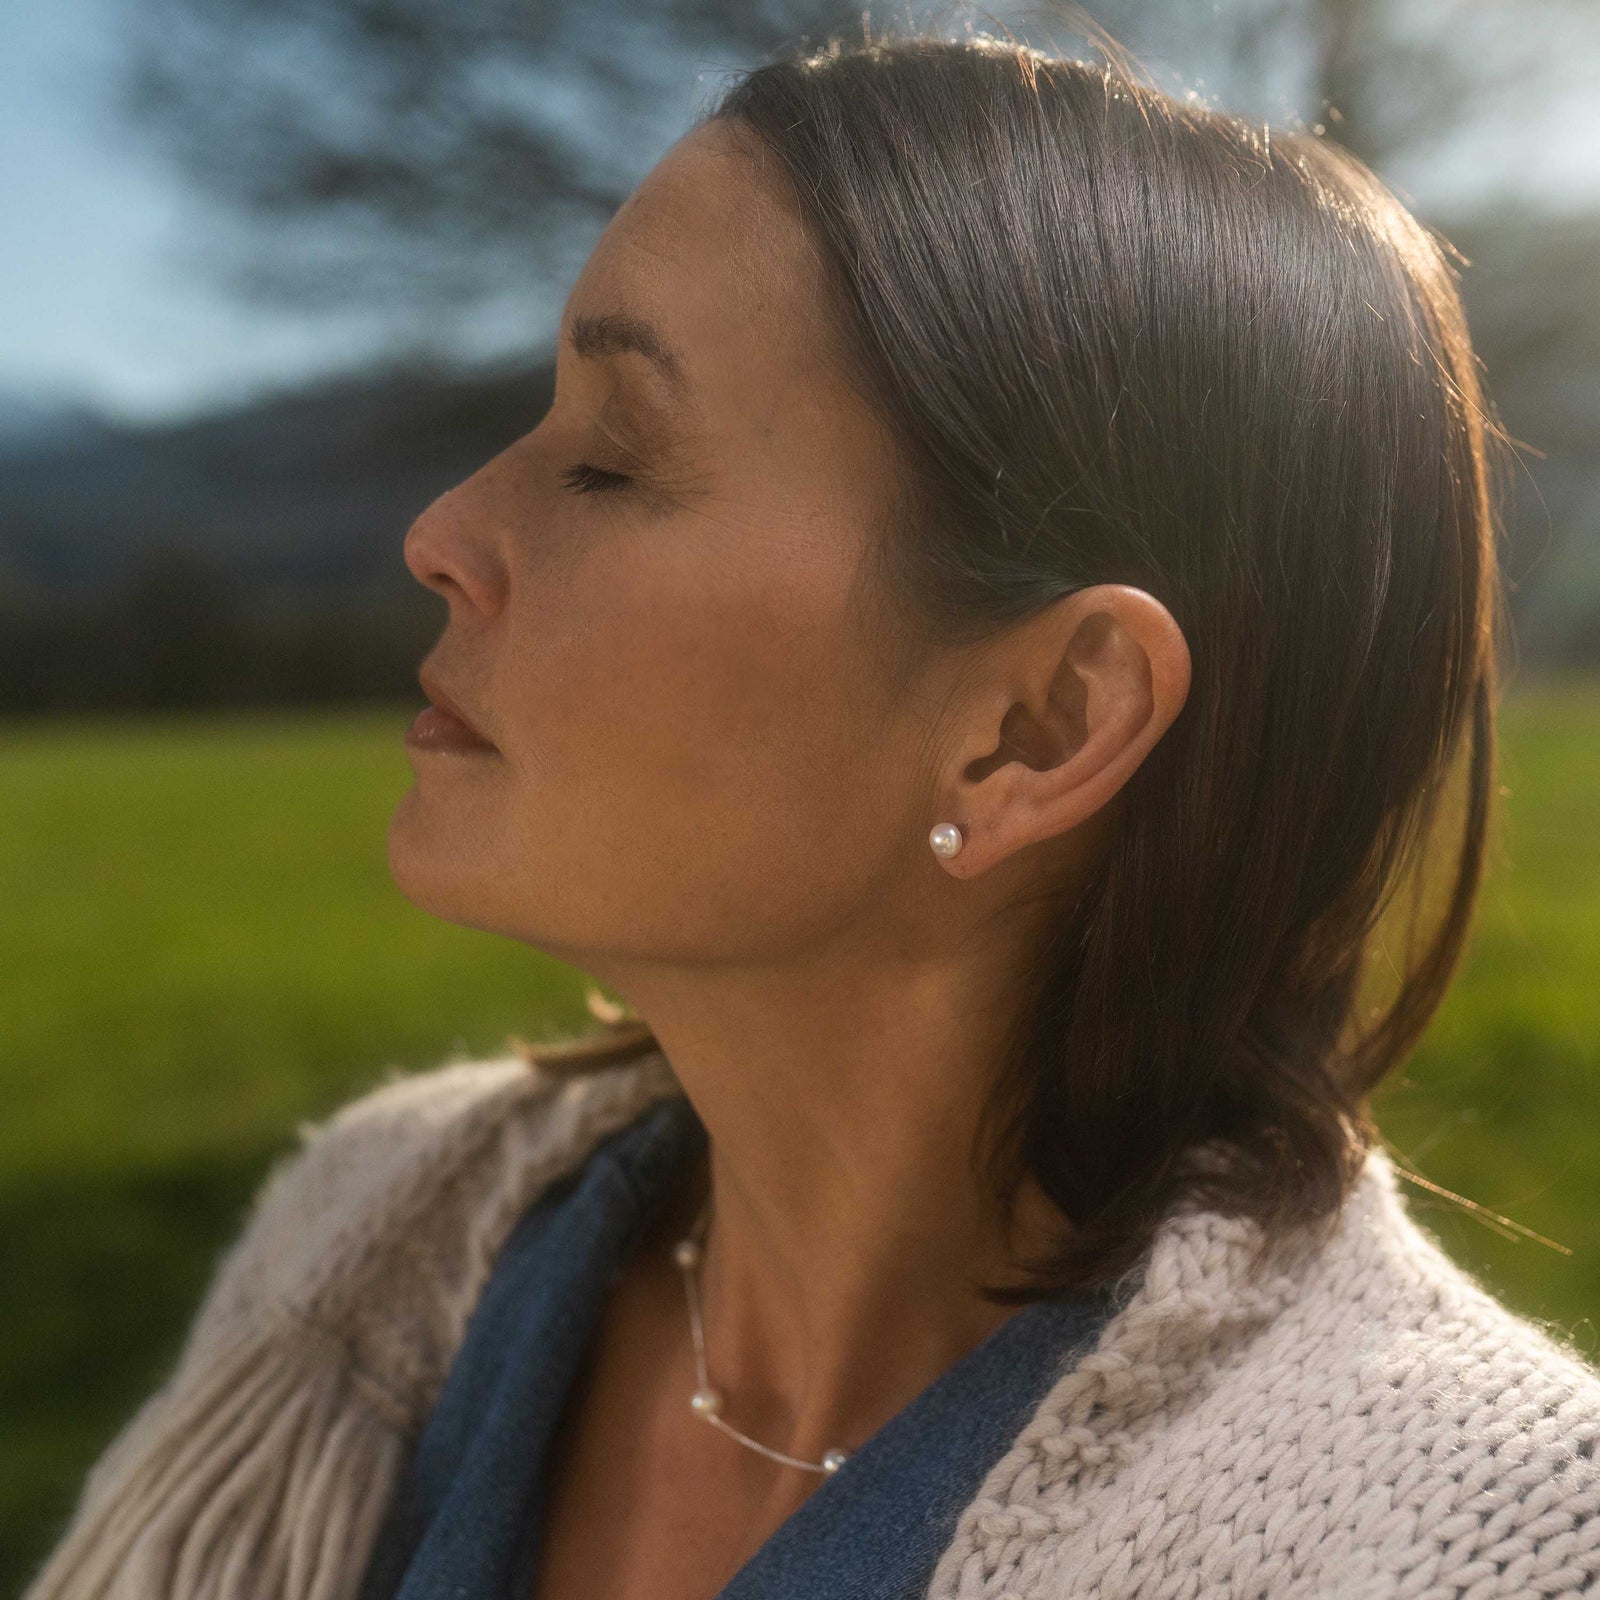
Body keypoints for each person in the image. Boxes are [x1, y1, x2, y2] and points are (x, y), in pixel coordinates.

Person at [23, 26, 1600, 1600]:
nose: (444, 530)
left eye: (618, 461)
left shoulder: (1470, 1547)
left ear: (1036, 726)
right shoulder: (364, 1238)